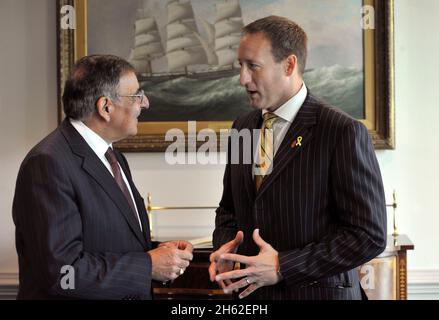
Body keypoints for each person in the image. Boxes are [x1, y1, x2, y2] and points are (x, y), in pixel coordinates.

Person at [208, 16, 387, 300]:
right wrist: (226, 248)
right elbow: (229, 210)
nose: (242, 78)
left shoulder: (342, 131)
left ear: (289, 65)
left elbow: (368, 236)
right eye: (240, 66)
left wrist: (283, 266)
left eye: (253, 66)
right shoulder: (242, 126)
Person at [12, 55, 193, 299]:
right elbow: (62, 274)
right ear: (106, 107)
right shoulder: (47, 163)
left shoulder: (114, 157)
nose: (145, 103)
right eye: (137, 95)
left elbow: (112, 242)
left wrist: (162, 254)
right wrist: (148, 265)